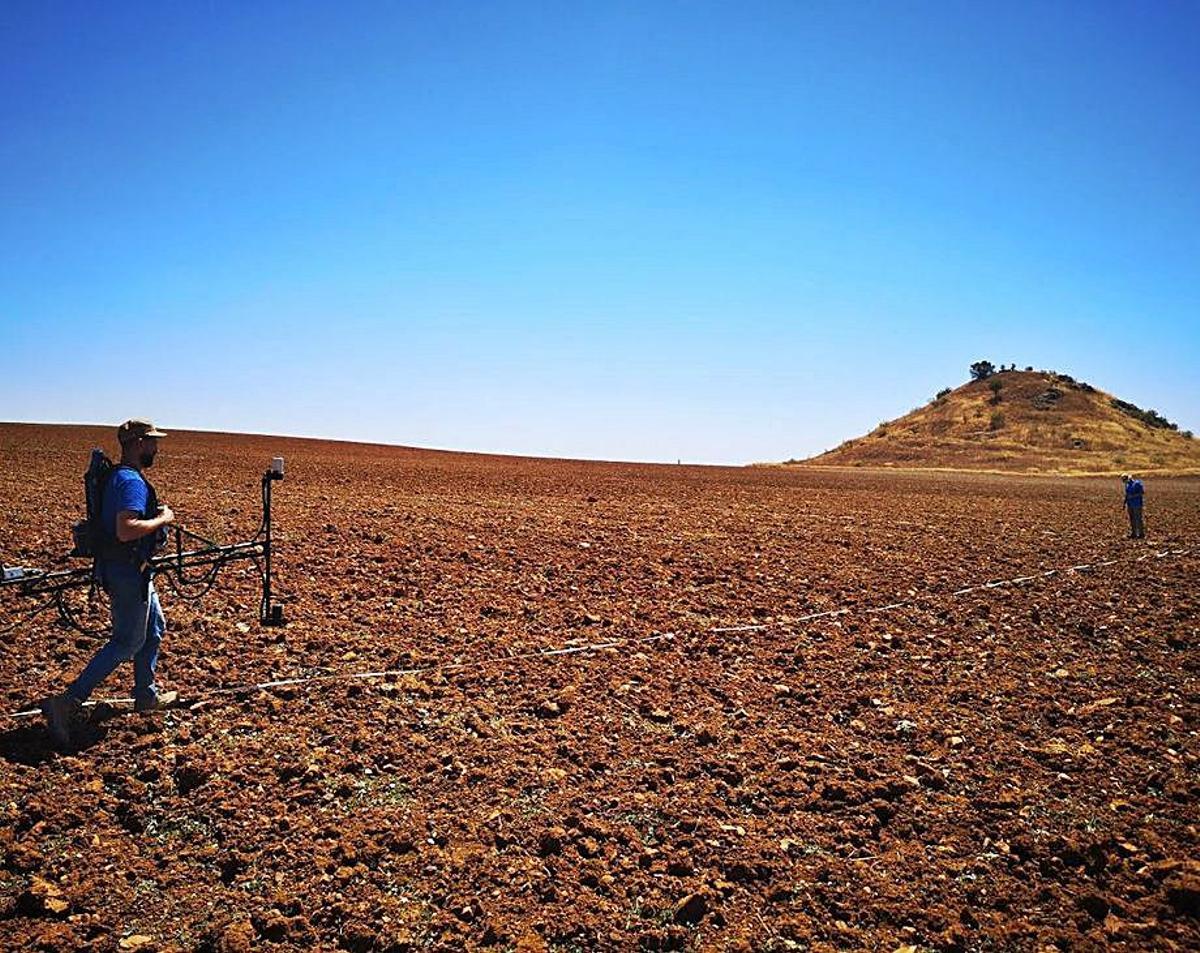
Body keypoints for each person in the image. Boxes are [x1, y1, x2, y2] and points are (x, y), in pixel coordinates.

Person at [41, 419, 177, 746]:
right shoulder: (130, 481)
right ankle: (67, 702)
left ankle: (146, 696)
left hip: (131, 569)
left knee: (153, 628)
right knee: (127, 641)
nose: (156, 448)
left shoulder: (119, 476)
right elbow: (126, 529)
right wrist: (163, 518)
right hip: (127, 572)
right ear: (138, 443)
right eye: (152, 442)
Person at [1121, 473, 1145, 540]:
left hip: (1137, 504)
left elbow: (1141, 493)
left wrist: (1133, 496)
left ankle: (1141, 534)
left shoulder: (1137, 483)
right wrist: (1124, 503)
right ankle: (1134, 533)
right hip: (1130, 505)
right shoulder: (1127, 485)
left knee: (1138, 519)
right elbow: (1127, 495)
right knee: (1132, 519)